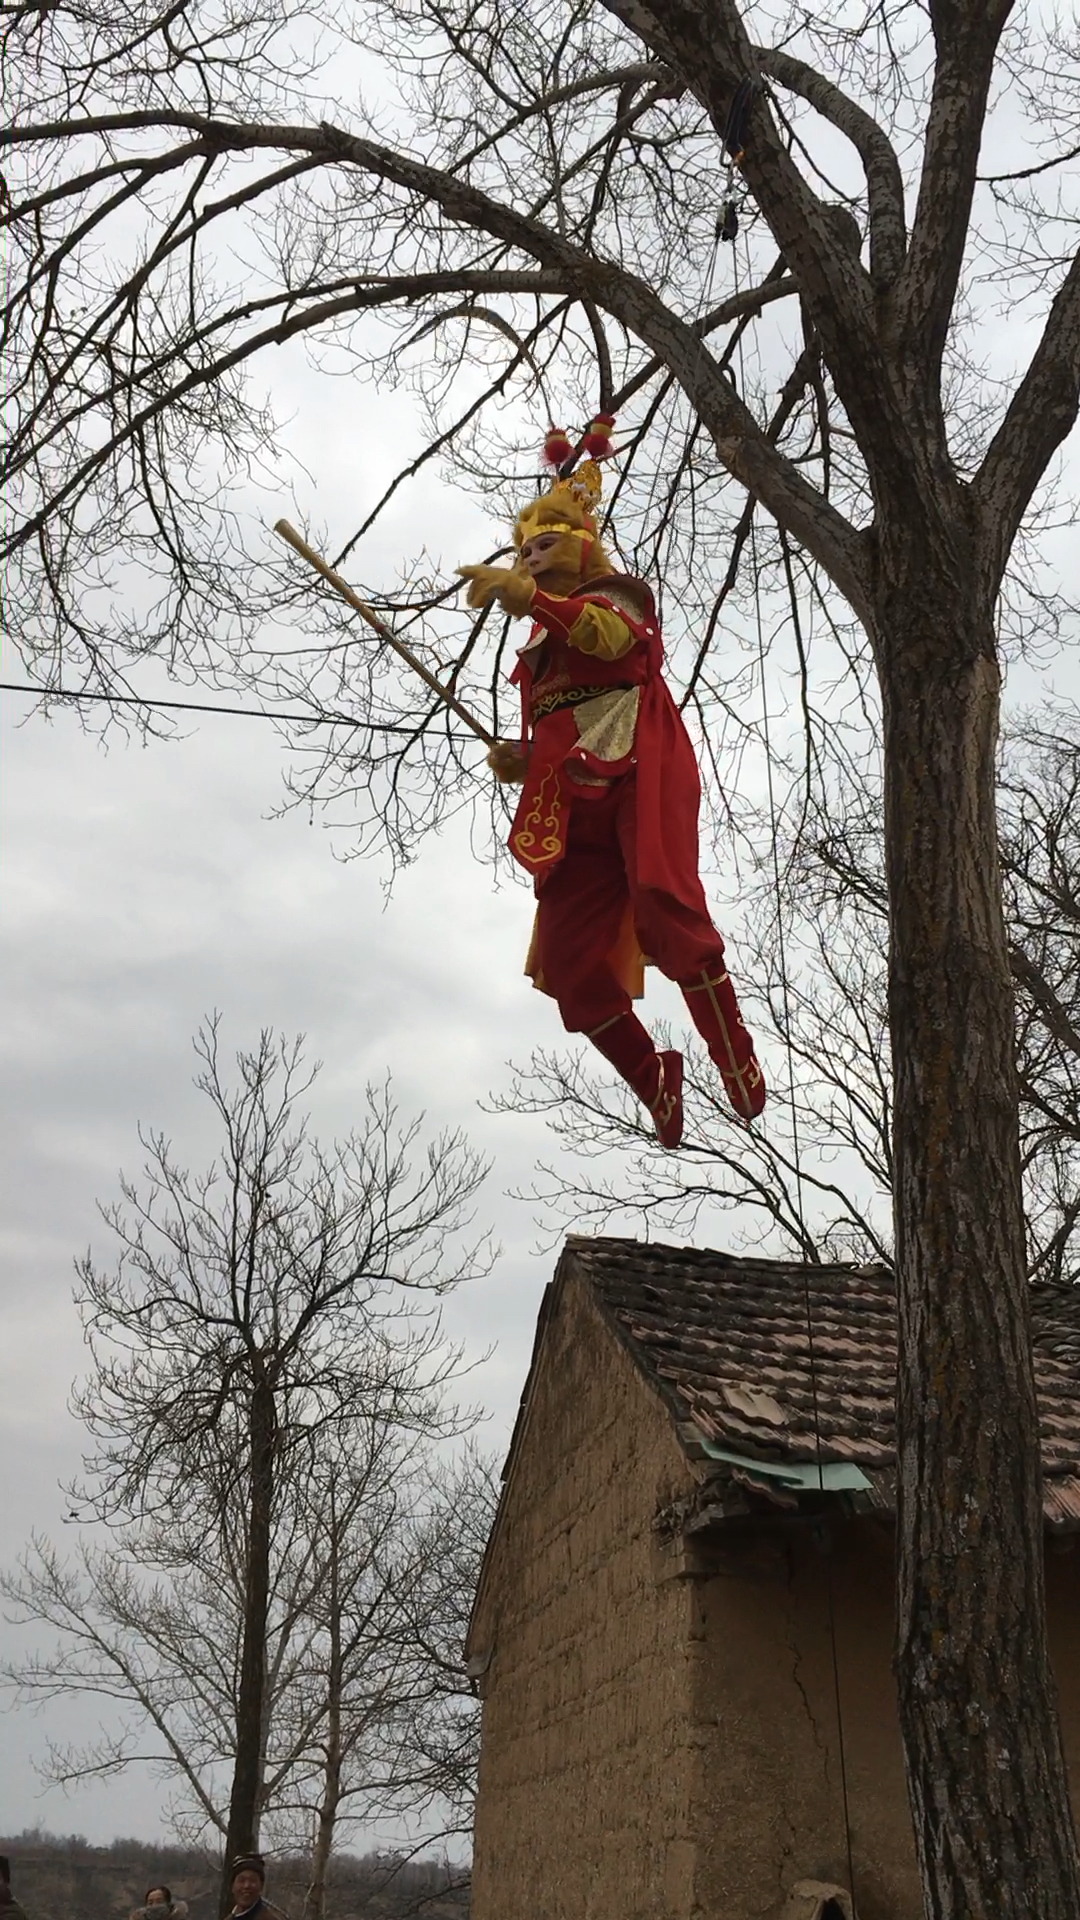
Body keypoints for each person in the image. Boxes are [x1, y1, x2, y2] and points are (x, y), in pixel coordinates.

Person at [458, 450, 766, 1150]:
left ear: (580, 544)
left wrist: (528, 598)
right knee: (571, 966)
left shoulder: (614, 601)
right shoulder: (541, 641)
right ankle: (652, 1075)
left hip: (640, 769)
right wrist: (521, 756)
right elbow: (564, 720)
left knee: (664, 902)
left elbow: (616, 648)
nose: (530, 556)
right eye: (524, 548)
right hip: (573, 792)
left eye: (544, 544)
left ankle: (731, 1050)